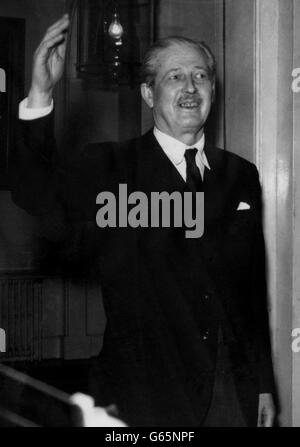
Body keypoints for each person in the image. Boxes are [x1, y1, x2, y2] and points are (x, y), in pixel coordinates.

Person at [12, 13, 277, 427]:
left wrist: (263, 382)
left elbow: (250, 288)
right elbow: (34, 191)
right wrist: (41, 94)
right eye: (175, 77)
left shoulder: (241, 175)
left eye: (201, 75)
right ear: (149, 94)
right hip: (149, 394)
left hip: (232, 393)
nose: (191, 87)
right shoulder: (111, 167)